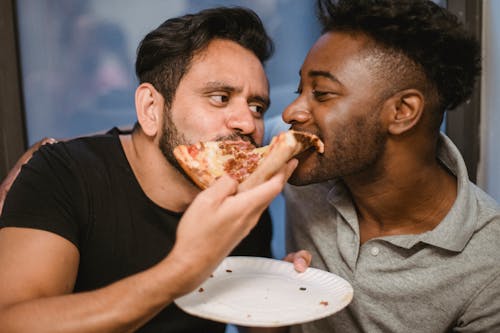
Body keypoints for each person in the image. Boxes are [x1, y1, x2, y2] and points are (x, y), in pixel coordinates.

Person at [0, 7, 302, 333]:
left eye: (256, 107)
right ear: (150, 109)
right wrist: (180, 270)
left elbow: (251, 324)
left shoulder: (238, 198)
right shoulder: (61, 175)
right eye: (220, 97)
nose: (247, 123)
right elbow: (12, 323)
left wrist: (275, 299)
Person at [281, 0, 500, 332]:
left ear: (402, 111)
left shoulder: (489, 264)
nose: (291, 113)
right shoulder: (301, 159)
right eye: (301, 89)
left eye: (322, 93)